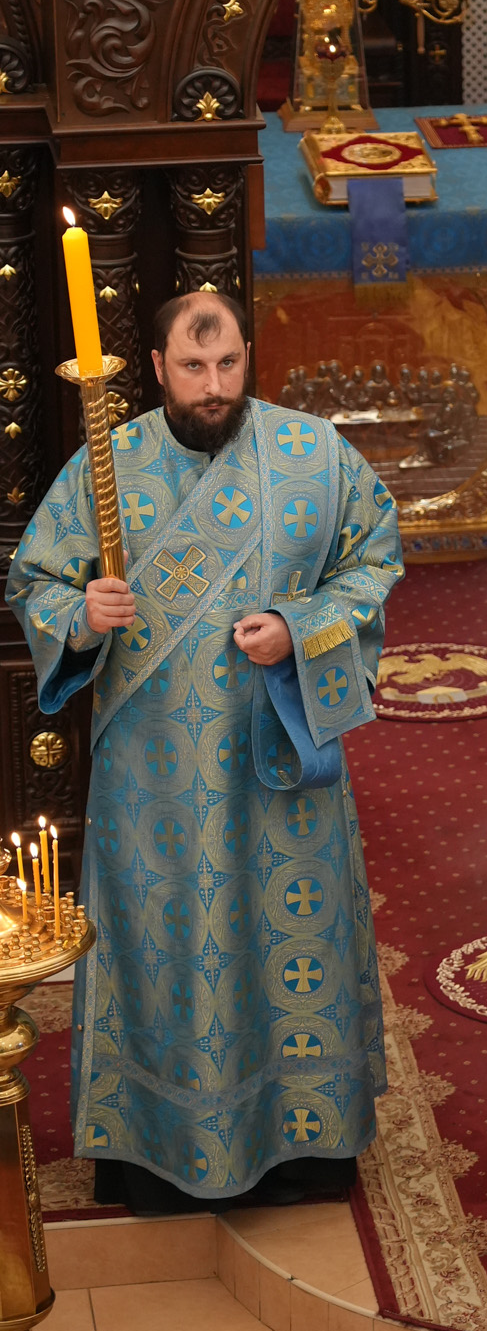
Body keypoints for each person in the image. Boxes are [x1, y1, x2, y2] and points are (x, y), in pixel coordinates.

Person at [7, 291, 403, 1213]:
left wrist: (300, 627)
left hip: (275, 756)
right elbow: (37, 579)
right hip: (154, 777)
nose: (214, 385)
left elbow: (374, 560)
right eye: (193, 367)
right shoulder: (108, 464)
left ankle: (305, 1146)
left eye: (228, 363)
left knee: (288, 943)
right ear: (157, 369)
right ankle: (152, 1152)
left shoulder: (314, 454)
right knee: (164, 945)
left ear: (248, 355)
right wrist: (82, 614)